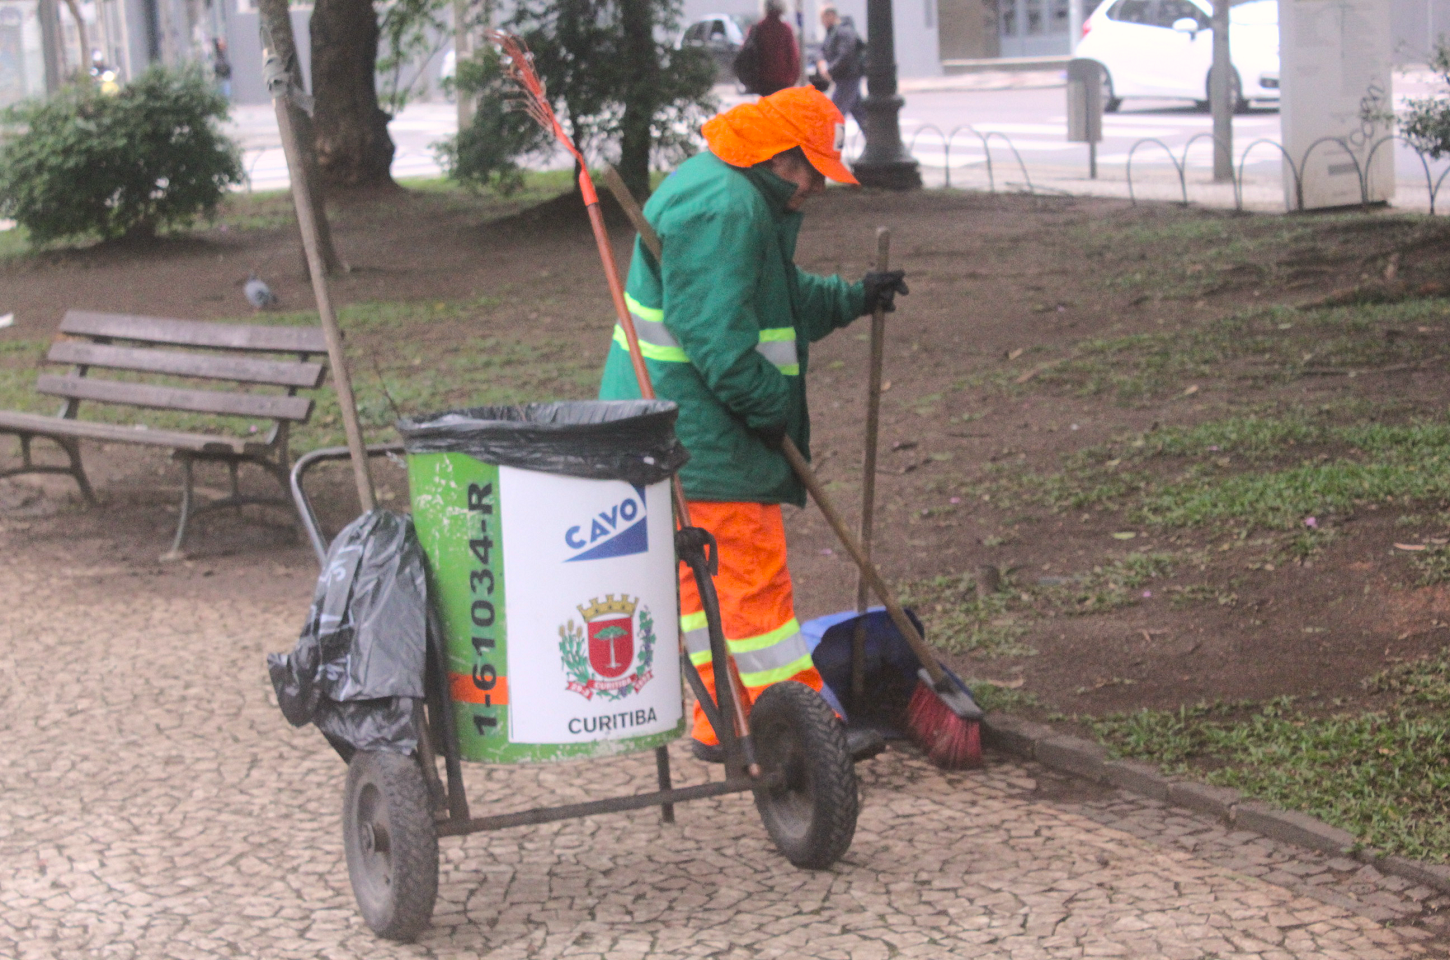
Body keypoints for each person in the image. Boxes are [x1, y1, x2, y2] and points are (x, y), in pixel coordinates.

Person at [597, 87, 908, 762]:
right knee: (752, 582)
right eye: (817, 170)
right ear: (784, 158)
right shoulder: (727, 209)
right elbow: (721, 342)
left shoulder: (728, 189)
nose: (821, 187)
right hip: (709, 436)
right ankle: (805, 735)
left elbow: (772, 296)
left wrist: (853, 298)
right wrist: (771, 413)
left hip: (676, 429)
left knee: (700, 586)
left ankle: (726, 726)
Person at [816, 4, 865, 126]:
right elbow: (822, 50)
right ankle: (873, 140)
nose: (822, 22)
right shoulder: (833, 32)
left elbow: (845, 55)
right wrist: (822, 62)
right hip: (846, 78)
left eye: (823, 18)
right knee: (860, 114)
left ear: (831, 15)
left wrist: (830, 70)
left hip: (847, 78)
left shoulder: (843, 31)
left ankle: (837, 144)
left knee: (835, 115)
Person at [744, 0, 801, 96]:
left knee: (766, 108)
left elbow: (746, 52)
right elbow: (793, 56)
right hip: (783, 80)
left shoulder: (757, 28)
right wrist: (793, 78)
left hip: (762, 79)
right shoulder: (785, 29)